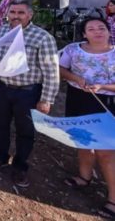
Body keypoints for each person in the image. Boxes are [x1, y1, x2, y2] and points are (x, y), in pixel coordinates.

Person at [0, 0, 59, 188]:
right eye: (13, 12)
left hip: (27, 92)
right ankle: (0, 157)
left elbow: (51, 71)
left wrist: (46, 100)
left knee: (25, 130)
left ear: (30, 15)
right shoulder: (2, 31)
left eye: (21, 12)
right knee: (0, 125)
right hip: (1, 88)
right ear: (8, 14)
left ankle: (20, 167)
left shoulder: (42, 37)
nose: (16, 16)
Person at [59, 17, 115, 218]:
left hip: (106, 103)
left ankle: (113, 199)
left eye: (101, 28)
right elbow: (60, 68)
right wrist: (76, 79)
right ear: (84, 34)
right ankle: (84, 176)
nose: (97, 32)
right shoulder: (73, 49)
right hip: (78, 98)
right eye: (91, 29)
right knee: (83, 140)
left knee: (105, 151)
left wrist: (102, 86)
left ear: (109, 31)